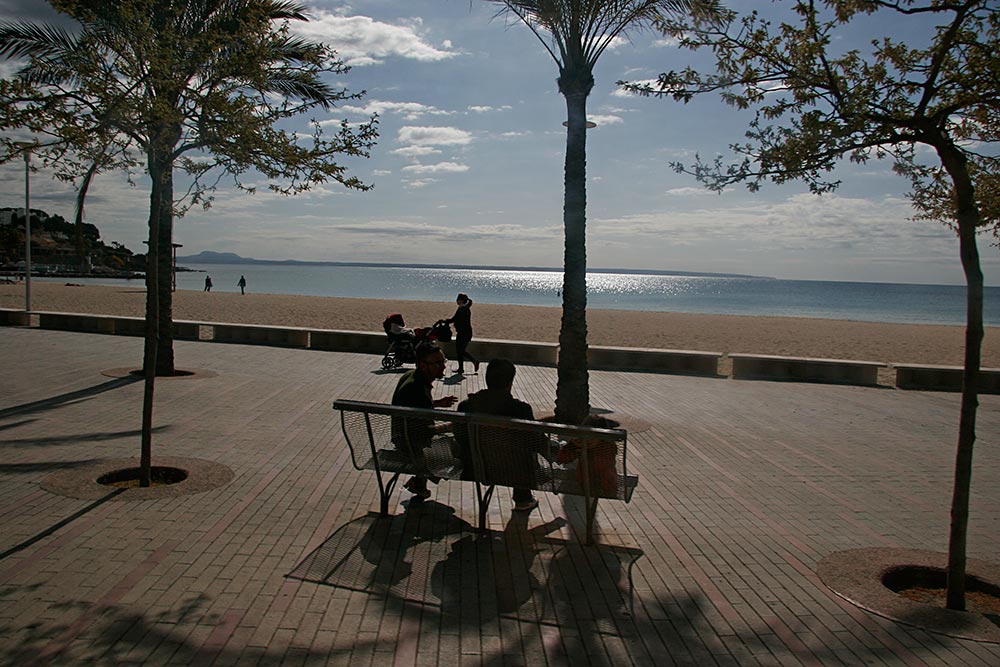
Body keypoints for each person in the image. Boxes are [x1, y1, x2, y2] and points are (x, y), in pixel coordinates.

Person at [456, 358, 543, 512]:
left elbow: (460, 437)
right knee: (522, 452)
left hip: (474, 469)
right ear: (510, 383)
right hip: (514, 473)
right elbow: (538, 442)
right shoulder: (520, 410)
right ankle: (523, 498)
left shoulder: (466, 406)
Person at [390, 341, 458, 501]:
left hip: (401, 436)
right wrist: (449, 426)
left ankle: (419, 482)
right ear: (422, 365)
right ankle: (420, 480)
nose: (443, 367)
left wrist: (436, 403)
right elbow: (423, 431)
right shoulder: (417, 388)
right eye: (437, 363)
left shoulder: (411, 377)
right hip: (409, 443)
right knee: (457, 445)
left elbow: (414, 408)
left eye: (443, 361)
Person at [446, 293, 479, 374]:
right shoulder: (464, 308)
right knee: (460, 351)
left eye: (458, 299)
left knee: (460, 351)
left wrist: (446, 321)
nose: (456, 301)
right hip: (465, 332)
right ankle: (462, 368)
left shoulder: (463, 309)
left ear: (461, 301)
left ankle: (474, 361)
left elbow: (454, 319)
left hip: (464, 333)